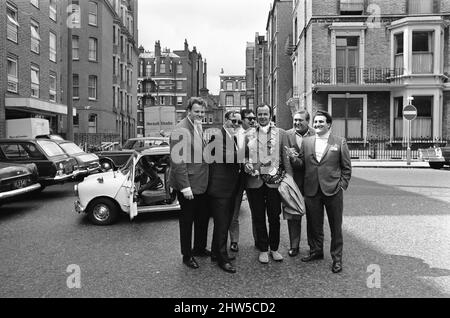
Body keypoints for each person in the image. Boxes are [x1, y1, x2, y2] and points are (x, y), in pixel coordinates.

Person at [296, 110, 352, 273]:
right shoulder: (306, 142)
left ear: (329, 124)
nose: (317, 125)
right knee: (314, 224)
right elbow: (301, 164)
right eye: (315, 122)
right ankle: (316, 251)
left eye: (321, 122)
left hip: (333, 189)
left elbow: (346, 167)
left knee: (335, 226)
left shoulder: (339, 142)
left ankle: (337, 258)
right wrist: (294, 158)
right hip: (312, 188)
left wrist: (342, 185)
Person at [244, 105, 292, 264]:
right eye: (259, 114)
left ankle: (275, 248)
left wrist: (288, 181)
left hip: (274, 182)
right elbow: (242, 156)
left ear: (271, 115)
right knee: (258, 217)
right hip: (254, 182)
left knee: (274, 217)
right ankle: (263, 249)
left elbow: (286, 160)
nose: (262, 116)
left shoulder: (281, 134)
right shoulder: (248, 134)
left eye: (265, 114)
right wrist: (245, 164)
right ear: (256, 116)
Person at [168, 97, 211, 269]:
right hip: (189, 185)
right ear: (189, 111)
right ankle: (187, 255)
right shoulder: (180, 130)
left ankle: (199, 248)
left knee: (202, 218)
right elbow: (178, 163)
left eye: (202, 111)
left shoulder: (198, 126)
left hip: (202, 182)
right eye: (197, 111)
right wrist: (185, 187)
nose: (200, 114)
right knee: (187, 221)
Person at [206, 111, 242, 273]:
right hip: (220, 189)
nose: (236, 124)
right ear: (226, 121)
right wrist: (249, 151)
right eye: (233, 121)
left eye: (239, 122)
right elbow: (229, 157)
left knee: (224, 223)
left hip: (228, 187)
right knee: (222, 224)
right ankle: (222, 259)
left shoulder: (231, 136)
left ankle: (215, 253)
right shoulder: (218, 137)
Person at [285, 110, 315, 257]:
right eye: (295, 120)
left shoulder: (316, 134)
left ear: (307, 121)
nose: (297, 123)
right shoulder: (286, 134)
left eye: (300, 120)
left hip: (312, 182)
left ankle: (314, 247)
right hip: (293, 182)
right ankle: (294, 246)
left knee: (313, 216)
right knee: (293, 215)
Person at [228, 109, 258, 252]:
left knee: (256, 212)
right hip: (236, 180)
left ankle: (259, 241)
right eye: (249, 118)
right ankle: (234, 241)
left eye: (254, 118)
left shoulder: (258, 134)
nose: (252, 121)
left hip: (253, 178)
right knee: (234, 212)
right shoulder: (231, 135)